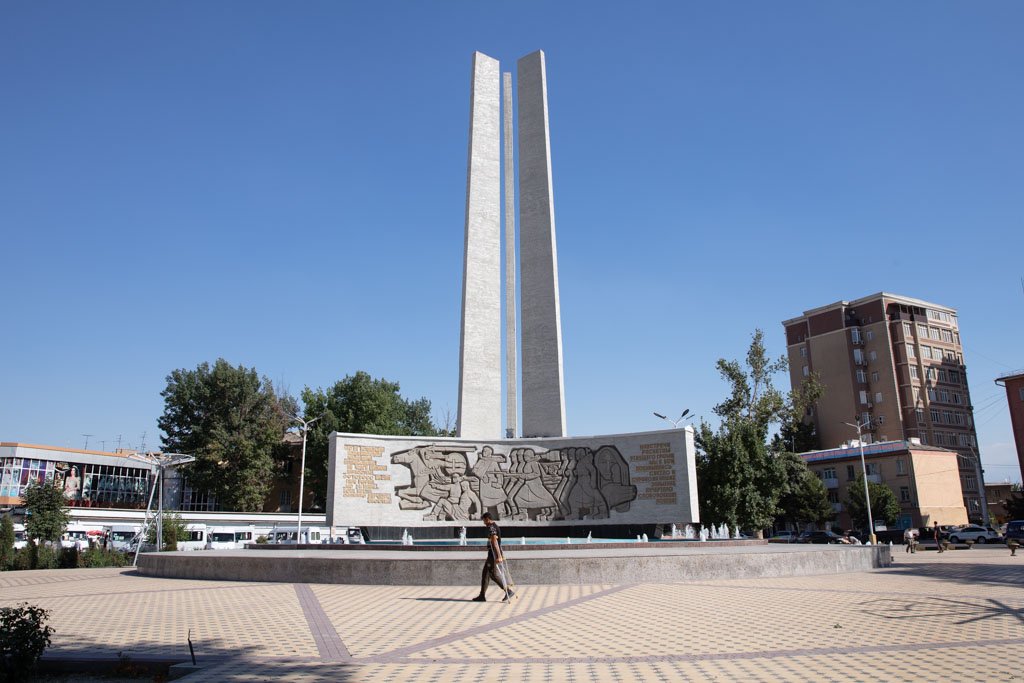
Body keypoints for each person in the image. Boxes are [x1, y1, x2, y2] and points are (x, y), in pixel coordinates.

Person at [472, 512, 514, 602]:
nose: (484, 523)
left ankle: (508, 591)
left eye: (484, 521)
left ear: (487, 519)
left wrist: (499, 556)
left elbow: (495, 542)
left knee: (493, 575)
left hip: (493, 555)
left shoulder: (492, 528)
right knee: (485, 574)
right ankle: (482, 595)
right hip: (491, 554)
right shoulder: (494, 526)